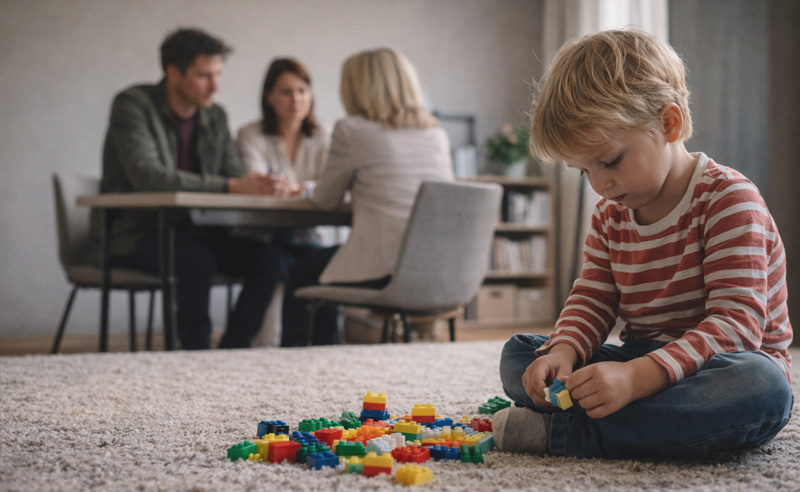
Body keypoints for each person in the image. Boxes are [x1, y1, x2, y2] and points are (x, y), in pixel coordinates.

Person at [496, 30, 793, 458]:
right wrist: (564, 349)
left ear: (668, 124)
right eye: (584, 172)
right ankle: (642, 423)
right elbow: (594, 297)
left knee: (763, 391)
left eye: (610, 161)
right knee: (521, 356)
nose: (600, 186)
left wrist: (636, 379)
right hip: (638, 356)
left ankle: (571, 434)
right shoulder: (609, 215)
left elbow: (736, 325)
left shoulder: (729, 200)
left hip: (721, 364)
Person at [95, 28, 290, 350]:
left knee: (271, 259)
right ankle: (195, 354)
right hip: (133, 232)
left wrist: (261, 185)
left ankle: (233, 350)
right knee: (195, 260)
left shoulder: (215, 116)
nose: (216, 85)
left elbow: (235, 175)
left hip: (198, 229)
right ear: (173, 73)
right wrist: (232, 186)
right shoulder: (131, 104)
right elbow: (149, 177)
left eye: (218, 74)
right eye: (204, 76)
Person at [280, 47, 454, 347]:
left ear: (357, 89)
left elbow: (324, 200)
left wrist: (305, 188)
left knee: (303, 268)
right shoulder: (436, 134)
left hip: (388, 269)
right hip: (439, 269)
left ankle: (304, 362)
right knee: (319, 265)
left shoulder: (352, 130)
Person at [236, 57, 330, 249]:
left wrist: (295, 189)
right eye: (286, 92)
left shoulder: (323, 135)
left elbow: (332, 185)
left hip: (307, 235)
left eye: (302, 91)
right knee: (274, 261)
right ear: (268, 96)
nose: (296, 100)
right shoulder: (249, 135)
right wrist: (306, 191)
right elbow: (258, 183)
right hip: (261, 235)